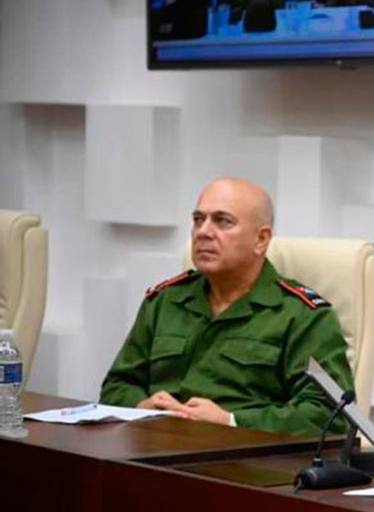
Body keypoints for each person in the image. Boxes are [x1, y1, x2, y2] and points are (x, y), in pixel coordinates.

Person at [100, 177, 354, 437]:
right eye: (198, 219)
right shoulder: (165, 300)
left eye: (222, 221)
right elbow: (117, 386)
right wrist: (144, 406)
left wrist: (231, 420)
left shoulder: (302, 315)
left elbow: (329, 415)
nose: (203, 232)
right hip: (156, 450)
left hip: (245, 463)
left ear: (261, 239)